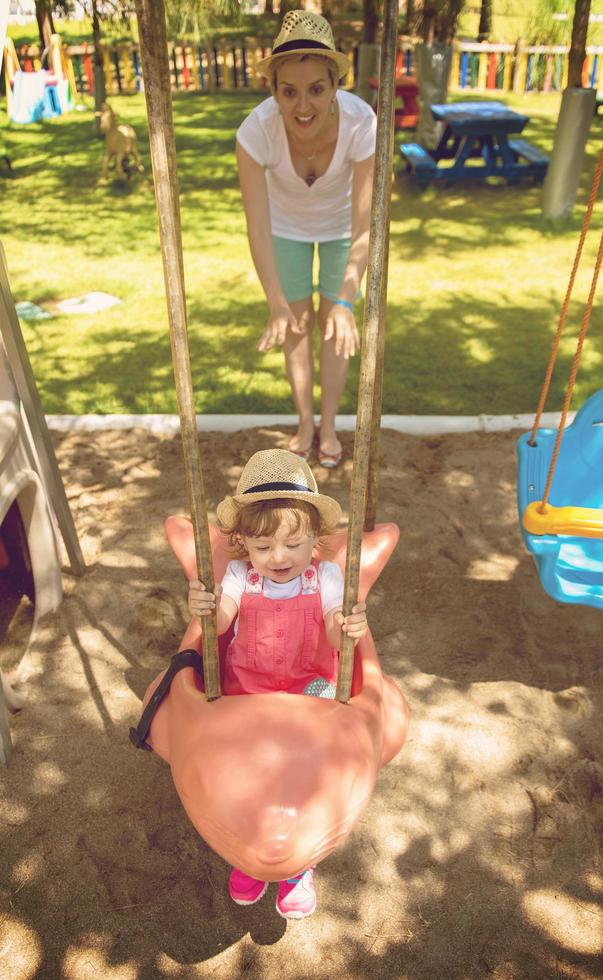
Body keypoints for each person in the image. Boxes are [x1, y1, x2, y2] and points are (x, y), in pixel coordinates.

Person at [188, 448, 368, 919]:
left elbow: (331, 625)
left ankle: (295, 865)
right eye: (263, 548)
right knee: (245, 768)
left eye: (293, 544)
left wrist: (345, 626)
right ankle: (246, 847)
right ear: (243, 543)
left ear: (316, 539)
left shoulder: (326, 577)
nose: (279, 557)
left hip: (309, 689)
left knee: (306, 763)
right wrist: (207, 607)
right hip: (249, 689)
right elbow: (224, 619)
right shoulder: (236, 576)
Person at [236, 11, 376, 468]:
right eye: (289, 91)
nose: (302, 105)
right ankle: (304, 423)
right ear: (273, 90)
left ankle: (330, 425)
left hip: (342, 233)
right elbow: (256, 226)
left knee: (336, 329)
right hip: (285, 230)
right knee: (295, 326)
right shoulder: (256, 132)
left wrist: (347, 300)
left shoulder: (361, 124)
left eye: (316, 88)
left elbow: (364, 226)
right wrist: (274, 301)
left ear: (335, 85)